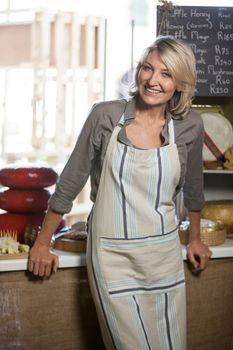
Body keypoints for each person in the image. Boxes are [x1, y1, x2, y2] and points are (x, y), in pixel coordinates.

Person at [28, 36, 212, 350]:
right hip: (112, 258)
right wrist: (42, 242)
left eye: (165, 74)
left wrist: (195, 238)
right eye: (147, 68)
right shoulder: (105, 115)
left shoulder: (190, 126)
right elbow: (71, 181)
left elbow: (194, 188)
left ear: (180, 83)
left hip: (163, 255)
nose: (152, 80)